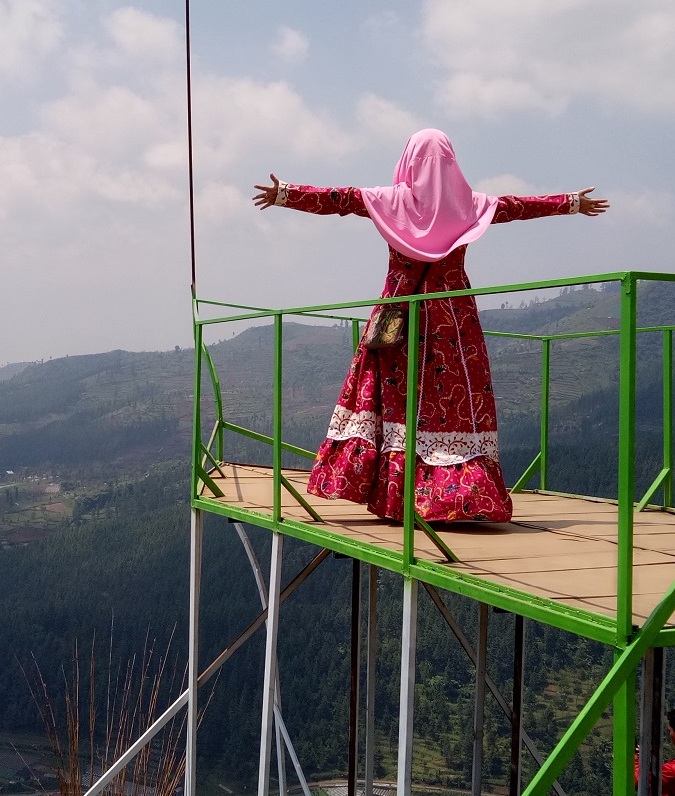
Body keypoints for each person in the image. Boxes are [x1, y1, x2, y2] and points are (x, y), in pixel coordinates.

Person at [252, 129, 607, 523]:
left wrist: (285, 193)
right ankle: (456, 493)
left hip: (397, 315)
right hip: (454, 319)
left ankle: (394, 493)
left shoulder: (392, 202)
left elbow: (342, 199)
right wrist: (571, 202)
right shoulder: (470, 205)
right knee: (453, 401)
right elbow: (519, 206)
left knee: (388, 396)